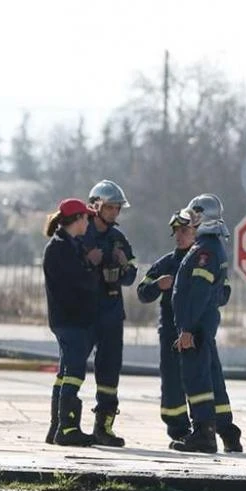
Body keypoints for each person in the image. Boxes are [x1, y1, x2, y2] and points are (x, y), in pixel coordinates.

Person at [136, 209, 222, 443]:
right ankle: (179, 430)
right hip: (170, 332)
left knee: (201, 378)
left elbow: (223, 292)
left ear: (197, 231)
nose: (179, 236)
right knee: (172, 381)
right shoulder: (167, 263)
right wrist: (157, 285)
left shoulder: (204, 259)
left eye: (185, 230)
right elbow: (142, 292)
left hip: (196, 330)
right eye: (176, 231)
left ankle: (206, 429)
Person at [168, 195, 243, 453]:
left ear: (201, 217)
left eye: (193, 216)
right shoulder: (211, 246)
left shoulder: (204, 251)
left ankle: (203, 434)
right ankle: (228, 432)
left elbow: (198, 291)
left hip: (196, 325)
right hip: (204, 323)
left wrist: (186, 328)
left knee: (197, 378)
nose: (189, 221)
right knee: (212, 378)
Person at [79, 179, 137, 447]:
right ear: (97, 206)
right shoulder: (82, 233)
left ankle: (104, 427)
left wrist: (124, 264)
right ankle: (64, 425)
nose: (115, 213)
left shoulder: (119, 239)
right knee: (73, 366)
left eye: (118, 208)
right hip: (85, 311)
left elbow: (130, 278)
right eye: (111, 207)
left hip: (112, 312)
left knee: (110, 370)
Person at [42, 198, 99, 447]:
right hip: (70, 320)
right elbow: (78, 282)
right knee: (74, 373)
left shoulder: (68, 245)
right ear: (76, 220)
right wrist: (92, 265)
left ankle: (57, 427)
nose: (88, 222)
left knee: (65, 373)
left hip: (69, 319)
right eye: (86, 217)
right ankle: (67, 428)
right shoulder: (60, 248)